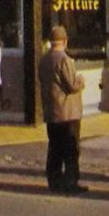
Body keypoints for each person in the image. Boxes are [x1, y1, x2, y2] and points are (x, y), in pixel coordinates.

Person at [37, 26, 86, 194]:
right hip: (68, 112)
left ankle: (54, 181)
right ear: (65, 41)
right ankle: (70, 182)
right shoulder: (64, 60)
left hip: (51, 110)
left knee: (55, 148)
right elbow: (72, 85)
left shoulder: (44, 60)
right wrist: (81, 80)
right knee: (71, 150)